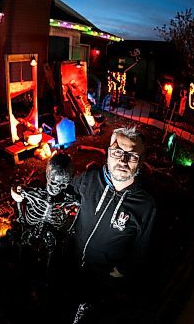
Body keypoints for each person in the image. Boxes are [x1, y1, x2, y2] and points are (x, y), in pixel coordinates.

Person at [68, 126, 157, 323]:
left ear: (140, 163)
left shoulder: (145, 206)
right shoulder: (90, 180)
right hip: (71, 263)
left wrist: (121, 272)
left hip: (101, 282)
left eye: (132, 156)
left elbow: (143, 248)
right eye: (117, 152)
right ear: (108, 154)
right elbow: (65, 195)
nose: (122, 161)